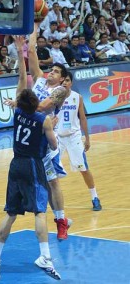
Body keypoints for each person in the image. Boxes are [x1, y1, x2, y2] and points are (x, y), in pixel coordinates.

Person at [4, 31, 71, 241]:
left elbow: (41, 107)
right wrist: (32, 27)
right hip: (30, 137)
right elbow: (31, 52)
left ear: (62, 78)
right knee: (33, 178)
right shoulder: (40, 80)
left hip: (45, 140)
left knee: (53, 182)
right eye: (51, 70)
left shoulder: (61, 91)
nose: (51, 73)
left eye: (56, 71)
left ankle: (61, 221)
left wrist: (19, 103)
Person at [0, 89, 60, 282]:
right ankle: (45, 256)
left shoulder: (18, 113)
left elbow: (18, 104)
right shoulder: (43, 119)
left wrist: (14, 103)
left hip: (15, 164)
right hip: (32, 166)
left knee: (11, 213)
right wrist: (52, 128)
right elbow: (54, 146)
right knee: (40, 212)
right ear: (36, 102)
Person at [57, 72, 102, 211]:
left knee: (83, 168)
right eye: (63, 81)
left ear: (71, 83)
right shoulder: (53, 97)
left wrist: (87, 138)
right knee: (50, 170)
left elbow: (82, 118)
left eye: (68, 80)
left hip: (73, 136)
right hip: (57, 137)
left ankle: (95, 197)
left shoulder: (78, 97)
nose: (65, 83)